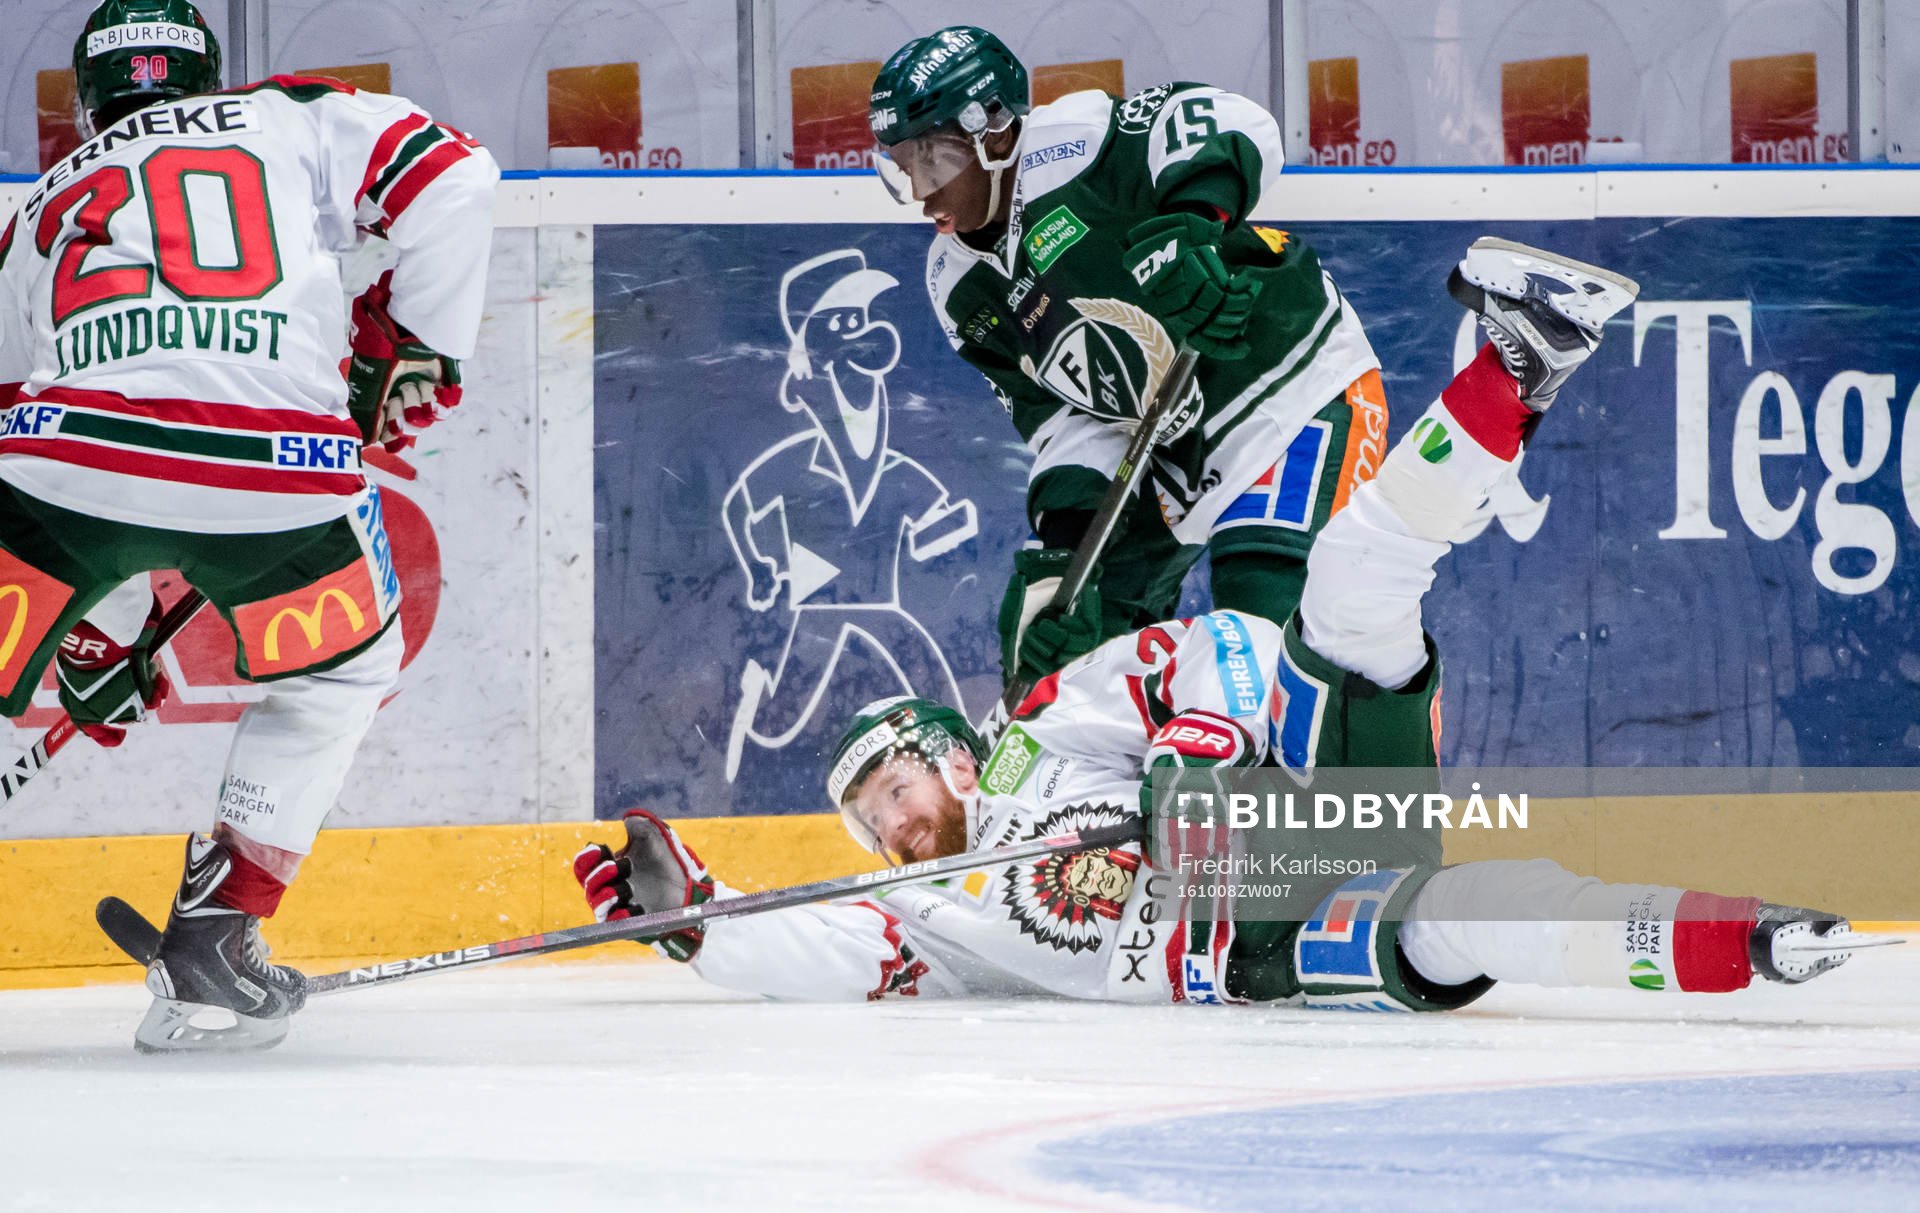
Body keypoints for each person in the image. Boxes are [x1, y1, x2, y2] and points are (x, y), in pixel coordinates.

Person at [576, 240, 1871, 1007]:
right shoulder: (926, 918)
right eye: (872, 816)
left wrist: (1197, 734)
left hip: (1305, 795)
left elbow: (1213, 646)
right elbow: (807, 957)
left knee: (1357, 570)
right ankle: (1747, 940)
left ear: (952, 750)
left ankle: (1514, 365)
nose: (897, 822)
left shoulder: (1039, 732)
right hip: (1250, 944)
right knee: (1457, 921)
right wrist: (688, 917)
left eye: (898, 785)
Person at [0, 0, 498, 1050]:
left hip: (61, 461)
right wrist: (415, 339)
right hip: (281, 467)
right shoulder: (288, 117)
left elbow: (72, 418)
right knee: (338, 674)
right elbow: (455, 173)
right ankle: (217, 938)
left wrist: (96, 622)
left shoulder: (43, 200)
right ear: (211, 73)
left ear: (86, 106)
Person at [866, 26, 1389, 688]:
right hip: (1162, 449)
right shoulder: (955, 285)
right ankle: (1127, 789)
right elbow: (1059, 419)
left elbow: (1229, 120)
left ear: (994, 133)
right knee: (1070, 650)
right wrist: (1065, 544)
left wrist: (1196, 223)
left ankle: (1338, 786)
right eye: (902, 168)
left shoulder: (1071, 148)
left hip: (1284, 391)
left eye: (932, 161)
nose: (920, 192)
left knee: (1273, 629)